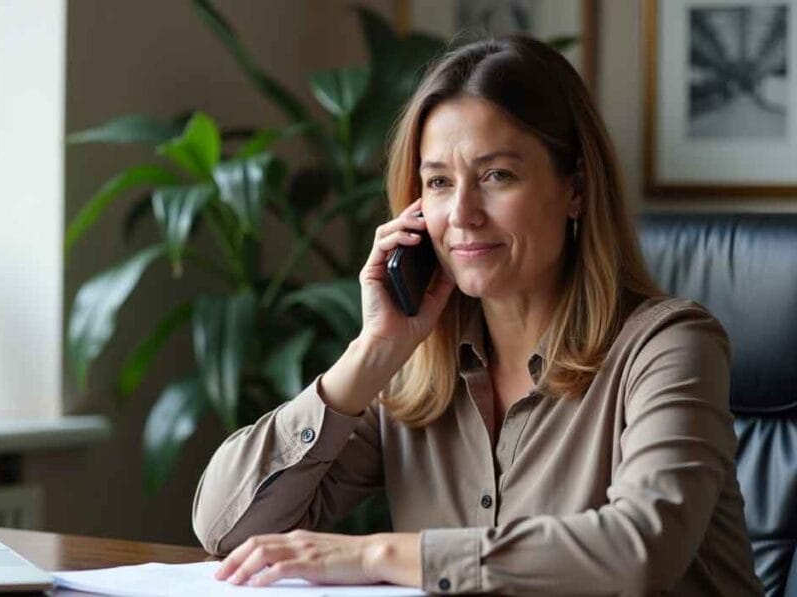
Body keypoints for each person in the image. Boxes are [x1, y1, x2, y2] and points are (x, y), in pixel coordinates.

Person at [191, 36, 763, 596]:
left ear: (577, 190)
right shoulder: (413, 374)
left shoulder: (670, 345)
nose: (461, 214)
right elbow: (225, 527)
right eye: (438, 182)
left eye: (497, 176)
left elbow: (641, 549)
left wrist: (377, 552)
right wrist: (373, 352)